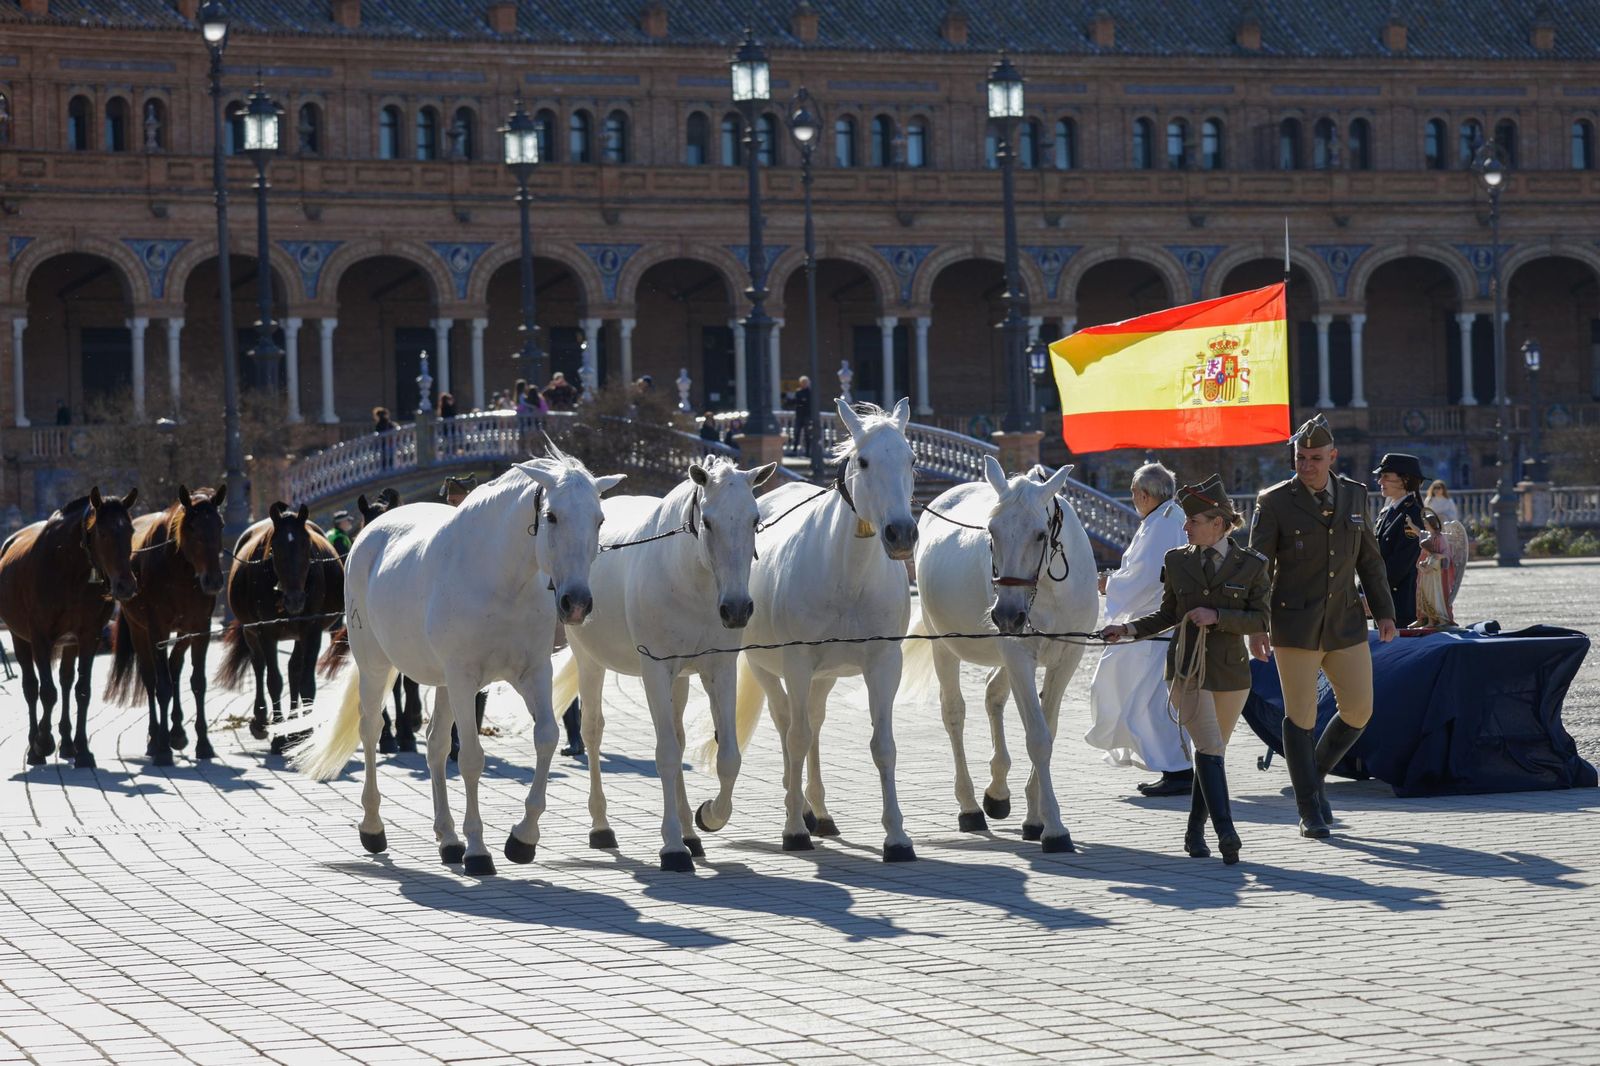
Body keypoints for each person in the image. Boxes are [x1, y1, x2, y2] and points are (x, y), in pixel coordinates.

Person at [1102, 476, 1270, 864]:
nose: (1185, 527)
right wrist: (1126, 629)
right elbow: (1168, 614)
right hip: (1186, 670)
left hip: (1231, 673)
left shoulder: (1251, 565)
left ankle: (1194, 831)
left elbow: (1260, 617)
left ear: (1218, 523)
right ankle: (1227, 832)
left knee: (1210, 756)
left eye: (1193, 521)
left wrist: (1218, 616)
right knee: (1208, 747)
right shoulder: (1177, 561)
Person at [1248, 414, 1397, 839]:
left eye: (1315, 458)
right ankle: (1309, 806)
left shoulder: (1354, 495)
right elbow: (1259, 570)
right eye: (1300, 457)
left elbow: (1369, 558)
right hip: (1294, 624)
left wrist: (1384, 612)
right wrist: (1257, 626)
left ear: (1332, 457)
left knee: (1359, 710)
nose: (1307, 465)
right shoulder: (1273, 501)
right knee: (1301, 716)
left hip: (1345, 622)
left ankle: (1310, 778)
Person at [1085, 462, 1193, 796]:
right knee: (1143, 701)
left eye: (1133, 493)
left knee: (1148, 704)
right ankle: (1174, 767)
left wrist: (1109, 585)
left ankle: (1179, 771)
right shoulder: (1165, 518)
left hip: (1154, 630)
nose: (1132, 499)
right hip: (1149, 630)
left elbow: (1145, 578)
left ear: (1143, 494)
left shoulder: (1161, 525)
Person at [1373, 452, 1427, 628]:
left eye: (1386, 476)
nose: (1380, 482)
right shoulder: (1388, 512)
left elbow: (1400, 564)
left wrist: (1373, 594)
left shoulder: (1413, 515)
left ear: (1405, 479)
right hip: (1385, 603)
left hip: (1401, 606)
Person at [1415, 510, 1453, 627]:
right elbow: (1419, 533)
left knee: (1433, 596)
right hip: (1426, 572)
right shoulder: (1428, 535)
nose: (1425, 525)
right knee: (1421, 594)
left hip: (1434, 573)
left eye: (1426, 523)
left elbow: (1446, 553)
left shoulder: (1440, 538)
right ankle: (1423, 618)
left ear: (1432, 524)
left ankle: (1437, 619)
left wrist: (1437, 556)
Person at [791, 375, 813, 456]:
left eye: (805, 382)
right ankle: (794, 450)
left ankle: (807, 452)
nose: (804, 384)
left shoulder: (810, 393)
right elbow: (796, 402)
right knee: (796, 433)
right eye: (802, 382)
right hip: (799, 416)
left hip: (807, 416)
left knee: (808, 435)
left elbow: (809, 404)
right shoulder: (798, 392)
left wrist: (802, 402)